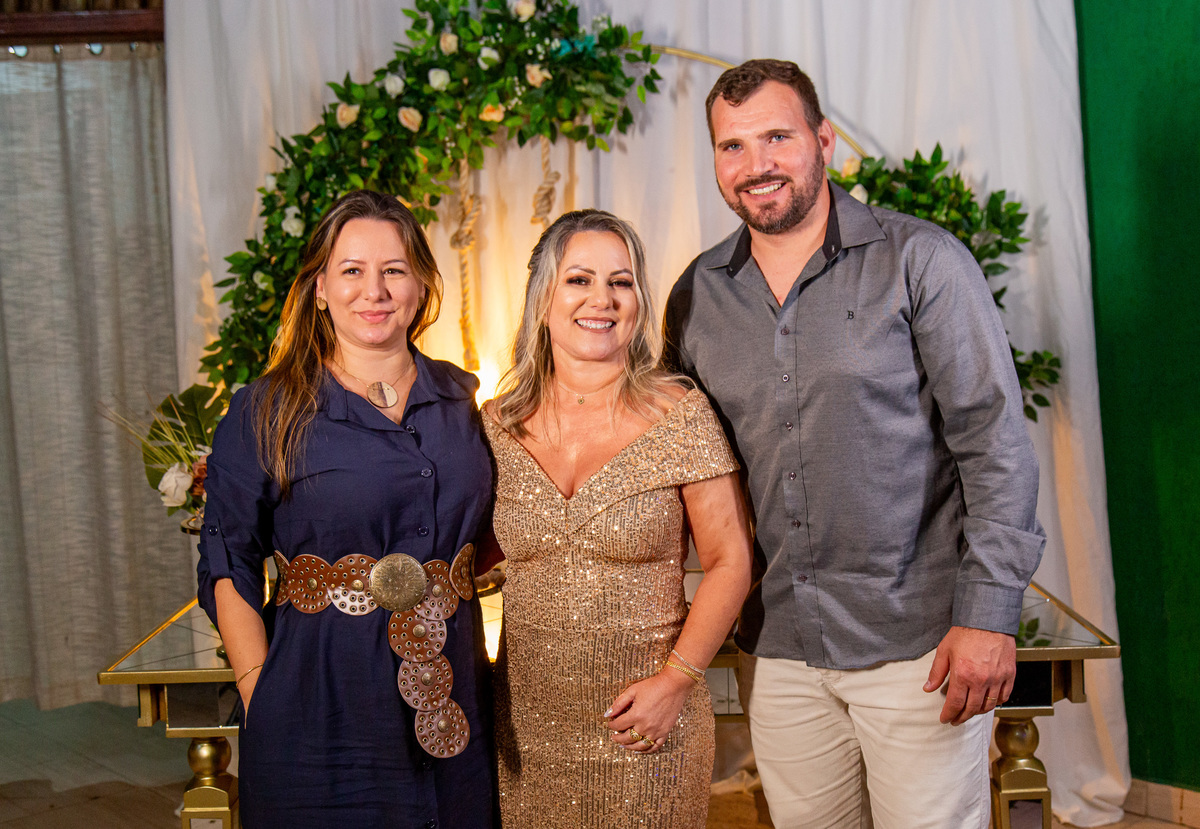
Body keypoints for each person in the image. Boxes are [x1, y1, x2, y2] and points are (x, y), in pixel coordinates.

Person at [663, 60, 1047, 827]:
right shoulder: (697, 295)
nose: (756, 164)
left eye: (777, 137)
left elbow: (994, 442)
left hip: (921, 646)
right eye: (733, 145)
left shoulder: (922, 260)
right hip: (779, 650)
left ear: (824, 140)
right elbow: (678, 468)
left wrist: (989, 613)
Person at [196, 190, 498, 828]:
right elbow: (228, 561)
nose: (374, 291)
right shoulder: (265, 411)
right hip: (319, 697)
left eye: (394, 270)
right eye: (352, 270)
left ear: (421, 284)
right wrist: (259, 692)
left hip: (454, 694)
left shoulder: (464, 400)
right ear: (319, 288)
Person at [481, 209, 752, 828]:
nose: (601, 299)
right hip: (525, 729)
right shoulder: (495, 424)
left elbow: (730, 561)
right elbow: (467, 554)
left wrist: (676, 683)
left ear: (638, 301)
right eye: (579, 280)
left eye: (620, 282)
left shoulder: (679, 414)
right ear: (543, 299)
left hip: (648, 725)